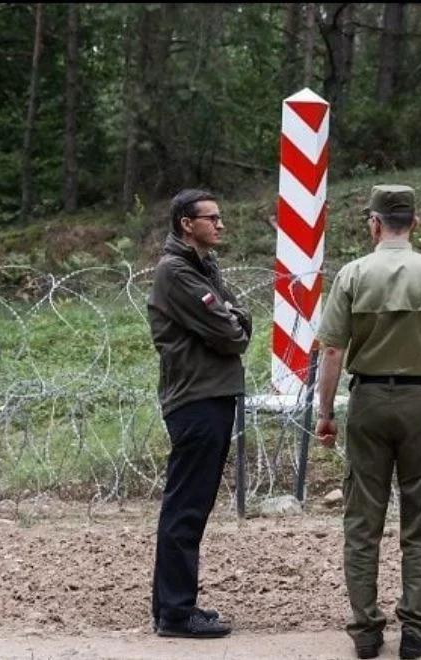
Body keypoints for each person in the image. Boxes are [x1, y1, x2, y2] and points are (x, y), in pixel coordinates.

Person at [314, 184, 421, 659]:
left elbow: (331, 350)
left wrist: (326, 413)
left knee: (363, 521)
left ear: (375, 223)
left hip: (366, 401)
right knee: (420, 519)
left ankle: (366, 631)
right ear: (416, 223)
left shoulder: (352, 274)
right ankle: (418, 627)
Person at [146, 189, 251, 638]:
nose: (220, 225)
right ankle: (174, 612)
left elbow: (241, 321)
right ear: (187, 223)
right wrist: (233, 321)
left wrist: (234, 321)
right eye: (212, 218)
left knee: (192, 505)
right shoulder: (177, 272)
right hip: (196, 398)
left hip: (209, 394)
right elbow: (230, 332)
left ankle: (174, 606)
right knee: (186, 507)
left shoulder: (200, 267)